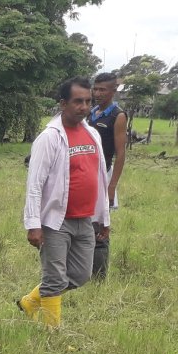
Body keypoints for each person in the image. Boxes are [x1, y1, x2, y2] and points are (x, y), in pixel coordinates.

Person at [16, 77, 110, 327]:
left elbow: (101, 178)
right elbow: (34, 184)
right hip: (56, 221)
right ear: (63, 104)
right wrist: (33, 224)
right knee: (55, 278)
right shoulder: (50, 138)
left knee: (81, 274)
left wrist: (104, 217)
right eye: (78, 101)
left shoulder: (92, 134)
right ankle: (51, 334)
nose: (84, 106)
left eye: (88, 101)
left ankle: (29, 302)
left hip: (86, 219)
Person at [89, 72, 128, 279]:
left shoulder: (118, 116)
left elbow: (121, 154)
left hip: (103, 176)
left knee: (101, 226)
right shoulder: (91, 112)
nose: (97, 93)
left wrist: (111, 186)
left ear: (114, 91)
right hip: (86, 175)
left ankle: (99, 277)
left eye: (102, 89)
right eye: (95, 89)